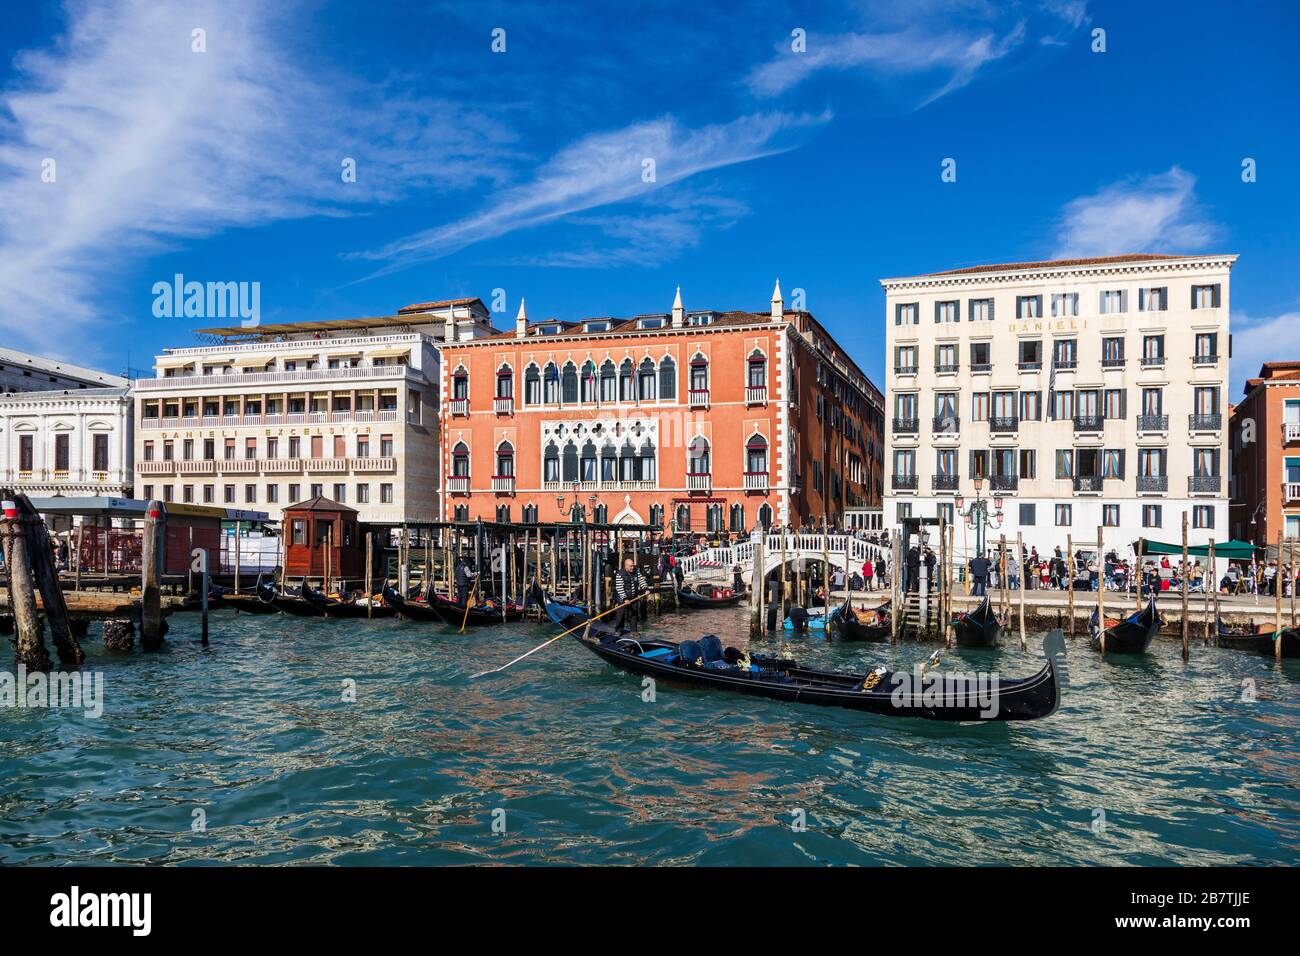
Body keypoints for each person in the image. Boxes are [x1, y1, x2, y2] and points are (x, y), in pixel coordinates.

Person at [612, 557, 650, 635]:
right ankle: (618, 630)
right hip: (622, 598)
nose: (632, 567)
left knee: (634, 614)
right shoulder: (620, 574)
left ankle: (633, 631)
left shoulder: (636, 571)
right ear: (626, 566)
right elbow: (619, 588)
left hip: (633, 597)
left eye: (633, 566)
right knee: (620, 614)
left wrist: (645, 589)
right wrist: (625, 599)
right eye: (631, 566)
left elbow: (641, 580)